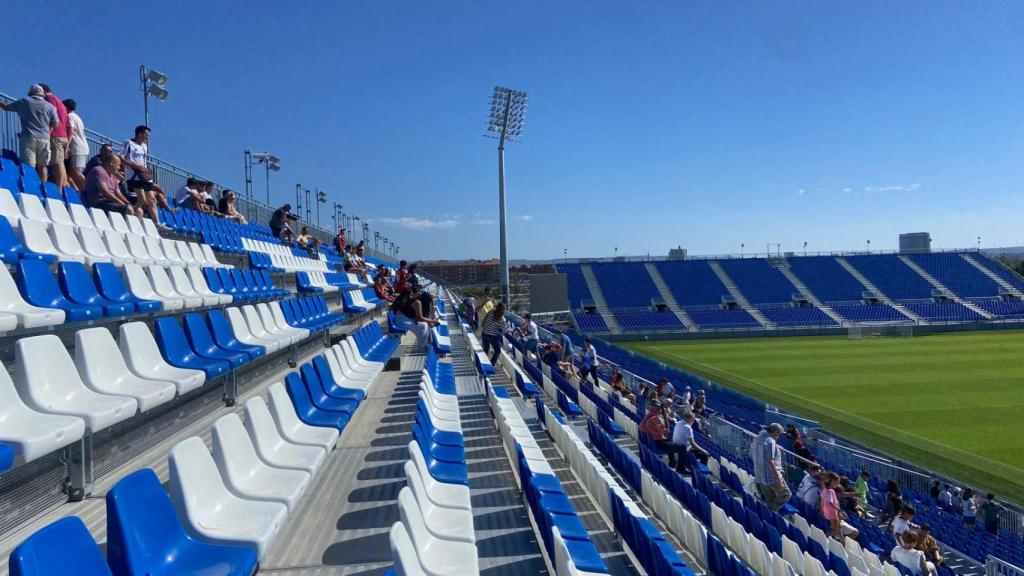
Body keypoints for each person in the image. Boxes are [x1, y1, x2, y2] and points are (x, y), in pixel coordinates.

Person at [0, 84, 57, 181]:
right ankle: (44, 189)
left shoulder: (24, 101)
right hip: (45, 138)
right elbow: (55, 123)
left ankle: (30, 186)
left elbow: (6, 107)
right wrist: (47, 130)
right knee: (42, 167)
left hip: (28, 137)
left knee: (28, 166)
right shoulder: (50, 107)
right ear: (42, 94)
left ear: (30, 93)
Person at [119, 125, 166, 227]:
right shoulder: (128, 143)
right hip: (133, 176)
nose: (147, 137)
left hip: (144, 176)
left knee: (152, 199)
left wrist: (146, 169)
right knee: (141, 199)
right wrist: (135, 166)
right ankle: (129, 214)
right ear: (140, 134)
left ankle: (156, 222)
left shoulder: (144, 146)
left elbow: (143, 160)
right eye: (146, 135)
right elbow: (121, 157)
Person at [750, 423, 792, 511]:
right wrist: (778, 478)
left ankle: (769, 514)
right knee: (786, 494)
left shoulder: (757, 438)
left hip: (760, 476)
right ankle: (771, 511)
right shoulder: (770, 441)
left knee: (769, 498)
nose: (779, 437)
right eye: (779, 434)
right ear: (775, 432)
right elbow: (770, 461)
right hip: (770, 477)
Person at [39, 84, 70, 187]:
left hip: (56, 134)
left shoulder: (49, 98)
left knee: (57, 162)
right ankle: (63, 187)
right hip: (62, 135)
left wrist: (47, 132)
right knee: (60, 162)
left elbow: (50, 115)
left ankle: (59, 189)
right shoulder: (59, 101)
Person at [640, 403, 686, 469]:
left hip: (652, 442)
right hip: (658, 443)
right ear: (658, 410)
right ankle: (681, 468)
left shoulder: (647, 417)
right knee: (682, 447)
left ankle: (672, 462)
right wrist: (666, 418)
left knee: (671, 441)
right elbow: (665, 431)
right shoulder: (654, 419)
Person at [63, 99, 88, 190]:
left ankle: (90, 189)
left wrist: (67, 146)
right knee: (70, 173)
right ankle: (78, 191)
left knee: (75, 172)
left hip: (77, 147)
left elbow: (71, 131)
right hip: (81, 147)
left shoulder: (69, 116)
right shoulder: (77, 117)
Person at [821, 473, 844, 542]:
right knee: (835, 529)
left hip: (827, 511)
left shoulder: (824, 488)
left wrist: (822, 508)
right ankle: (823, 539)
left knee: (838, 528)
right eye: (836, 483)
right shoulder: (830, 491)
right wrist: (838, 509)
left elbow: (822, 499)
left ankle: (843, 543)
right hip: (832, 512)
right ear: (832, 481)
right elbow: (830, 502)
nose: (837, 485)